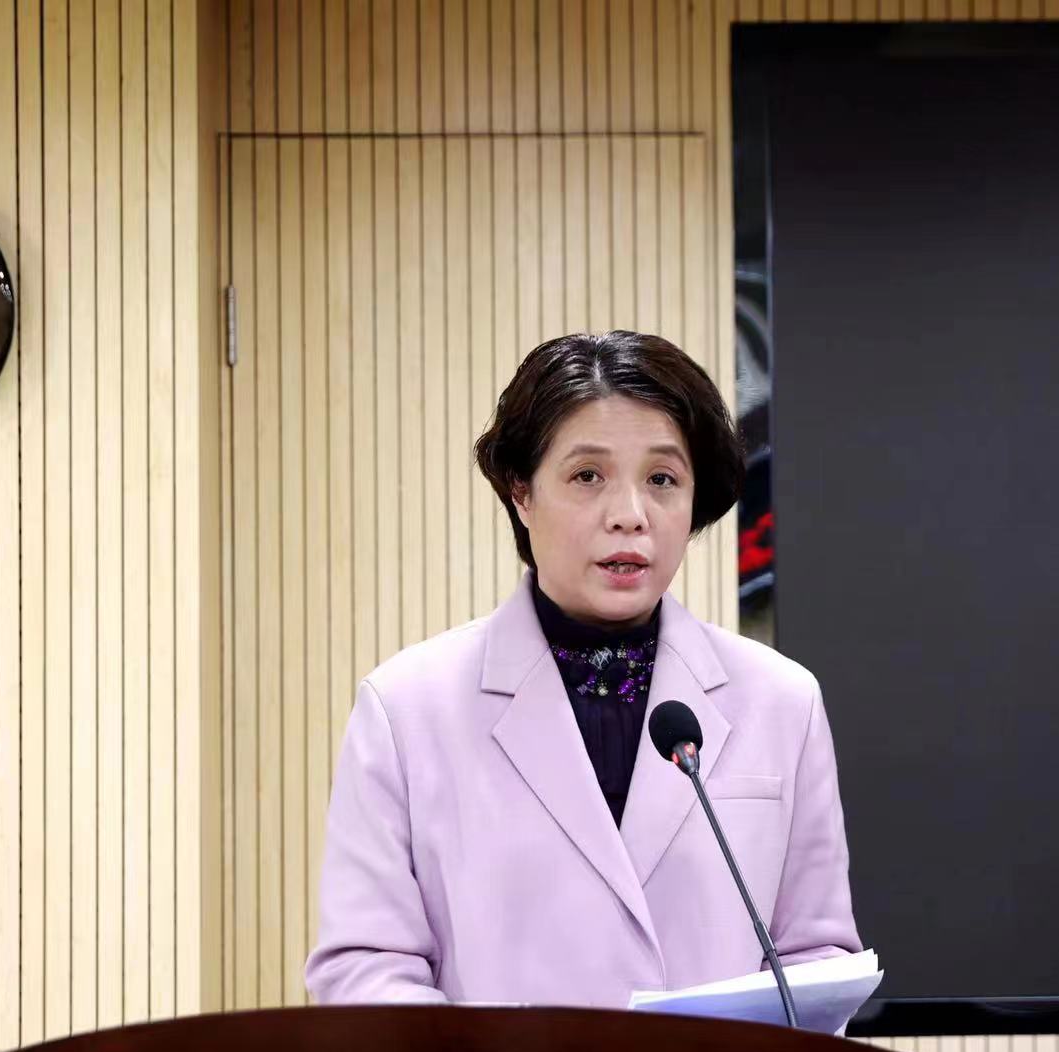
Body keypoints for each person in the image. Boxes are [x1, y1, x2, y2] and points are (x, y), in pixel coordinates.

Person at [305, 330, 862, 1007]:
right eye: (587, 476)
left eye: (662, 480)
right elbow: (366, 968)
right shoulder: (407, 709)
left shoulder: (782, 701)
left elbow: (816, 958)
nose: (629, 516)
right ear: (521, 491)